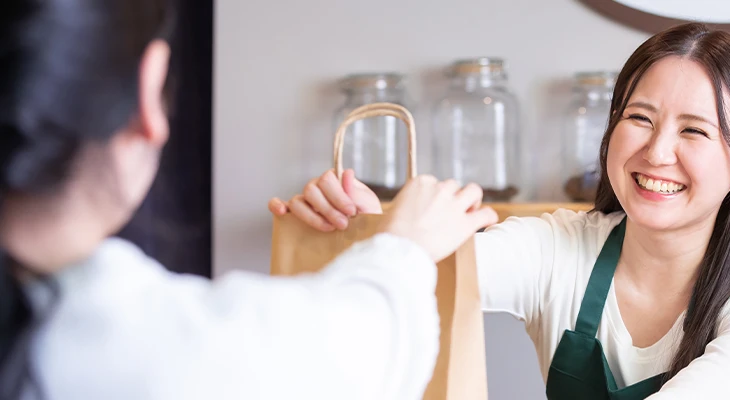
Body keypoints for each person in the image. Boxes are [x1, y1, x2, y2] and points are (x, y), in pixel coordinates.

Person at [272, 23, 730, 400]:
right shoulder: (559, 249)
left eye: (695, 131)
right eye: (640, 118)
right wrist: (377, 230)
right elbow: (436, 270)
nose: (657, 152)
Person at [0, 1, 498, 399]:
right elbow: (354, 353)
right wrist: (404, 247)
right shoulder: (137, 343)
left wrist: (383, 237)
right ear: (148, 94)